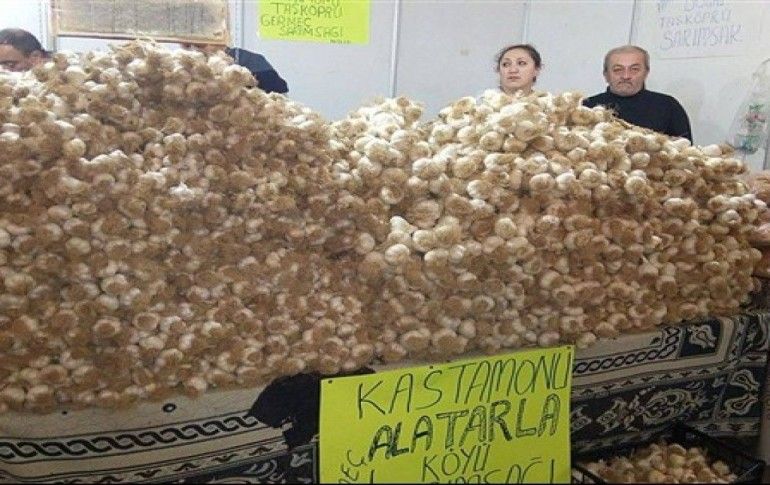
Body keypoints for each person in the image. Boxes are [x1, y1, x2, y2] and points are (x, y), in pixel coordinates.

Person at [583, 45, 692, 143]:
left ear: (646, 73)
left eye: (634, 69)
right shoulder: (586, 107)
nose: (626, 76)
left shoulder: (668, 106)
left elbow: (687, 153)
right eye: (618, 70)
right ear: (606, 74)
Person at [180, 42, 288, 94]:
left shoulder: (251, 61)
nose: (193, 49)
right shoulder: (179, 67)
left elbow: (280, 97)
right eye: (186, 45)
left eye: (199, 45)